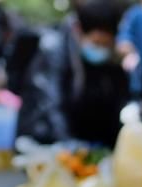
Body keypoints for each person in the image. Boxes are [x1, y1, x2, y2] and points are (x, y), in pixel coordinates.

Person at [15, 0, 129, 147]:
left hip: (90, 142)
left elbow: (116, 103)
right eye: (96, 42)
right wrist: (68, 143)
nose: (100, 48)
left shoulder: (111, 60)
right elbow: (51, 103)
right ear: (79, 30)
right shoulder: (55, 51)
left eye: (106, 44)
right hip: (49, 140)